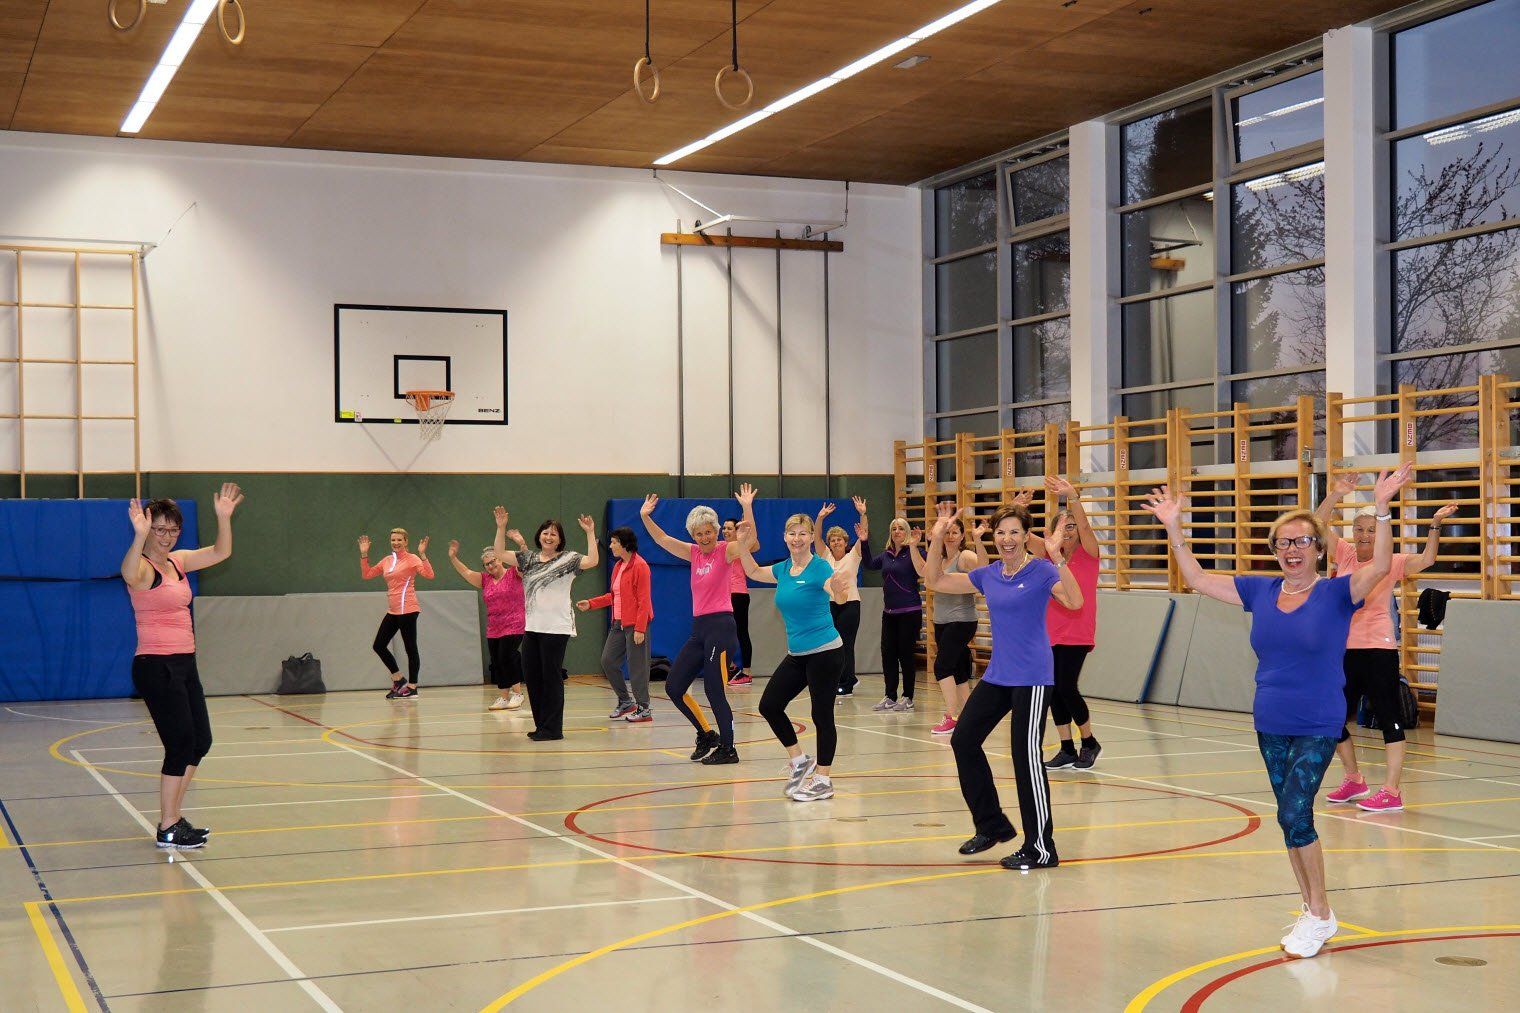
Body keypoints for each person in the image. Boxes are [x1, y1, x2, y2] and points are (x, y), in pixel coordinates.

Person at [1144, 464, 1413, 958]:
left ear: (1319, 549)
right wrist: (1174, 528)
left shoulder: (1337, 593)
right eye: (1283, 543)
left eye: (1303, 541)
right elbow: (1198, 578)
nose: (1293, 549)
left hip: (1318, 721)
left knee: (1294, 811)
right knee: (1292, 820)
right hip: (1270, 720)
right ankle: (1312, 909)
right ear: (1275, 551)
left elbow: (1379, 566)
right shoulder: (1260, 591)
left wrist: (1380, 508)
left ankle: (1321, 913)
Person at [926, 500, 1081, 871]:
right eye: (1001, 532)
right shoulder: (990, 574)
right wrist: (936, 538)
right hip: (998, 675)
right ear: (993, 537)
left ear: (1026, 536)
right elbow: (935, 581)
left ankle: (1041, 848)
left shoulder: (1042, 570)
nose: (1007, 539)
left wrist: (1058, 557)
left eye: (1014, 532)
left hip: (1033, 676)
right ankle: (991, 825)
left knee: (1025, 759)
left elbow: (1075, 601)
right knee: (964, 740)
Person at [1315, 476, 1456, 812]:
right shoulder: (1345, 553)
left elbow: (1427, 559)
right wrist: (1335, 493)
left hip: (1378, 649)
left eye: (1370, 530)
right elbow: (1317, 523)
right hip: (1344, 650)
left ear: (1380, 533)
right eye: (1359, 529)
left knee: (1389, 717)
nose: (1364, 535)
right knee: (1331, 719)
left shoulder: (1389, 561)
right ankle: (1354, 779)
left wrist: (1435, 524)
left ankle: (1392, 791)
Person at [121, 483, 244, 849]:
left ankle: (173, 817)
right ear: (148, 529)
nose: (167, 536)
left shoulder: (178, 562)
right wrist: (138, 537)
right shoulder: (143, 569)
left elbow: (221, 552)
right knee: (180, 744)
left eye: (173, 530)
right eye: (160, 529)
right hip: (156, 666)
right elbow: (128, 574)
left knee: (200, 741)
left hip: (185, 664)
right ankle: (168, 825)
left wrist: (224, 518)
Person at [640, 484, 758, 764]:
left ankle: (728, 749)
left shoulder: (725, 551)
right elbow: (662, 540)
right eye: (699, 533)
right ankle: (706, 734)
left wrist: (747, 508)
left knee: (714, 690)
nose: (704, 538)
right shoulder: (693, 553)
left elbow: (749, 541)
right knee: (673, 687)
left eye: (708, 532)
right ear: (692, 535)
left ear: (716, 531)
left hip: (721, 627)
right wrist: (645, 516)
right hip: (699, 629)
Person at [741, 514, 847, 801]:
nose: (797, 539)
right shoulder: (784, 568)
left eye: (802, 533)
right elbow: (753, 571)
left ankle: (823, 780)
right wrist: (742, 544)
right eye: (792, 533)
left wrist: (838, 591)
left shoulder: (820, 567)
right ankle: (800, 761)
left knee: (821, 715)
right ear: (784, 537)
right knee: (769, 705)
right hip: (798, 654)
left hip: (825, 652)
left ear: (811, 537)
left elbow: (835, 594)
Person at [493, 508, 600, 741]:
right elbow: (499, 552)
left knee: (551, 677)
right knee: (532, 677)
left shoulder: (568, 559)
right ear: (539, 535)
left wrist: (590, 532)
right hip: (532, 628)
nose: (548, 537)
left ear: (560, 539)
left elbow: (593, 560)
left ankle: (553, 729)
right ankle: (541, 725)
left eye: (553, 534)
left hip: (556, 629)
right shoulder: (528, 559)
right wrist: (501, 527)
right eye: (545, 533)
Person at [1040, 476, 1105, 770]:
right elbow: (1018, 537)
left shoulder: (1088, 553)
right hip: (1050, 632)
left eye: (1071, 526)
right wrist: (1016, 510)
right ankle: (1066, 748)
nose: (1067, 532)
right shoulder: (1049, 555)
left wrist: (1073, 497)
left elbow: (1086, 527)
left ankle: (1089, 742)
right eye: (1061, 526)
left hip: (1077, 631)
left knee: (1067, 686)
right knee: (1053, 688)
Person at [446, 510, 528, 712]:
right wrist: (453, 557)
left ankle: (518, 694)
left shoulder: (514, 574)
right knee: (498, 661)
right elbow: (466, 571)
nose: (490, 566)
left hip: (514, 623)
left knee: (507, 656)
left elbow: (525, 561)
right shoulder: (484, 580)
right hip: (494, 627)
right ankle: (504, 697)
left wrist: (521, 544)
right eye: (486, 564)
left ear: (500, 559)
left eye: (493, 561)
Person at [577, 526, 655, 722]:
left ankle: (644, 708)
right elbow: (614, 596)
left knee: (637, 667)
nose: (610, 546)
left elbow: (644, 600)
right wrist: (591, 603)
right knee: (608, 661)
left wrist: (640, 628)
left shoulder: (640, 566)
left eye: (614, 542)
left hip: (636, 624)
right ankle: (626, 702)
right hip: (618, 623)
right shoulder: (618, 566)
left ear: (624, 544)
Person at [359, 527, 434, 699]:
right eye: (393, 540)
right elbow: (367, 574)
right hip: (393, 611)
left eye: (399, 540)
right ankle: (398, 678)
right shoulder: (387, 560)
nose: (396, 543)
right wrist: (364, 554)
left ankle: (412, 687)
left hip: (408, 609)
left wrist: (423, 554)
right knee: (379, 645)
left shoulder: (412, 559)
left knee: (410, 648)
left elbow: (429, 575)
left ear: (406, 542)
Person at [927, 507, 982, 735]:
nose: (950, 536)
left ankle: (952, 716)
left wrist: (978, 541)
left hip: (961, 620)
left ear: (961, 536)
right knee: (958, 670)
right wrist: (913, 546)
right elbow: (924, 572)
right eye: (947, 532)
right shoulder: (940, 559)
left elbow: (984, 572)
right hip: (942, 621)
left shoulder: (965, 556)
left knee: (942, 667)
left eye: (954, 532)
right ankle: (970, 715)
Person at [863, 517, 926, 711]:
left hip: (910, 612)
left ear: (907, 532)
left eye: (901, 528)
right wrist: (864, 542)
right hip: (889, 613)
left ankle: (908, 697)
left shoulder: (914, 552)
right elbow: (869, 564)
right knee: (888, 654)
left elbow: (924, 570)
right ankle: (890, 696)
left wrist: (916, 545)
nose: (897, 531)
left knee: (905, 654)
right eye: (894, 529)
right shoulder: (886, 555)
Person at [816, 496, 868, 699]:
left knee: (846, 644)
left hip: (850, 604)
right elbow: (816, 539)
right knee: (831, 644)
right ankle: (841, 678)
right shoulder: (826, 557)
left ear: (846, 542)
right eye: (833, 539)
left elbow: (863, 535)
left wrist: (862, 514)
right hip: (829, 604)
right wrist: (820, 518)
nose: (836, 542)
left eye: (839, 539)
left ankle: (846, 684)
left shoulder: (853, 555)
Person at [721, 516, 760, 687]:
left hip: (738, 594)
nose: (725, 531)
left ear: (737, 531)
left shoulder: (742, 546)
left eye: (729, 528)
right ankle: (731, 667)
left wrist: (746, 531)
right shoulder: (721, 547)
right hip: (724, 596)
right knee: (723, 633)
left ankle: (747, 672)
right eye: (724, 528)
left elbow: (756, 544)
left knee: (741, 632)